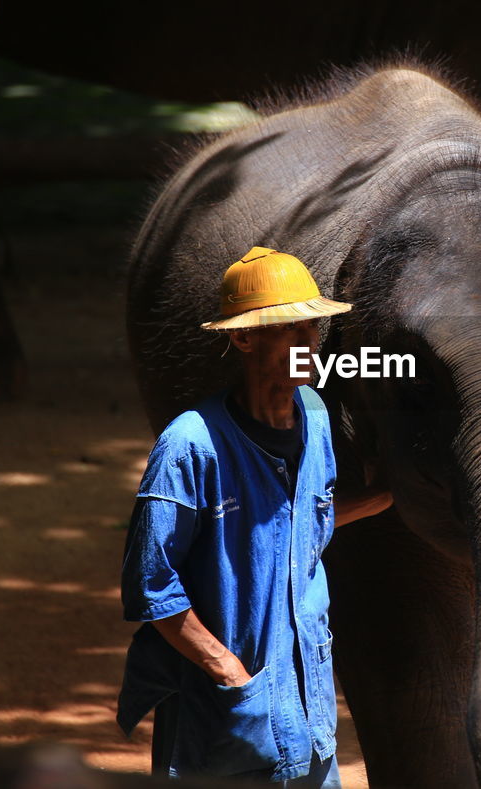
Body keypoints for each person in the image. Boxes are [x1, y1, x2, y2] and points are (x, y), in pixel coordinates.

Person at [116, 246, 392, 786]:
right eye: (291, 331)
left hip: (310, 719)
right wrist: (229, 671)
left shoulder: (313, 417)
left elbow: (299, 526)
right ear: (242, 337)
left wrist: (387, 495)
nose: (310, 346)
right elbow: (152, 586)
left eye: (313, 330)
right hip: (224, 722)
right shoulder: (190, 446)